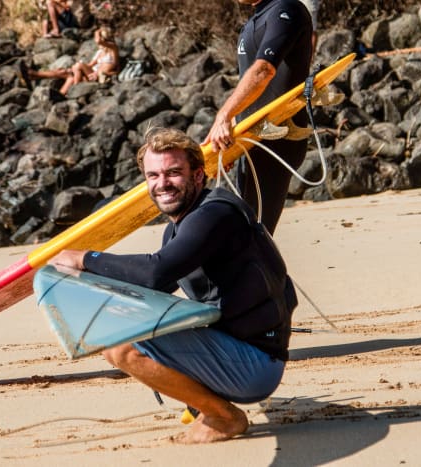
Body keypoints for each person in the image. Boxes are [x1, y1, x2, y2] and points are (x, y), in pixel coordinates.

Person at [49, 127, 298, 443]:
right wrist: (89, 291)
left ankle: (223, 417)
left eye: (173, 173)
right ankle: (204, 403)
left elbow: (156, 271)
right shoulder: (182, 227)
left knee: (122, 349)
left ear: (197, 175)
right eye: (153, 175)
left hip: (256, 365)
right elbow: (154, 290)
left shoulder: (216, 214)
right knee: (126, 329)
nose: (162, 183)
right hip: (241, 353)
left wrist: (86, 258)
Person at [204, 0, 312, 234]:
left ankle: (268, 271)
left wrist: (224, 114)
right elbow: (252, 87)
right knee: (247, 231)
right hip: (252, 141)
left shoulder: (286, 9)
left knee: (254, 235)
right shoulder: (254, 20)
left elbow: (264, 71)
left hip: (278, 139)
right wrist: (231, 134)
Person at [18, 26, 119, 95]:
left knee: (78, 66)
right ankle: (33, 75)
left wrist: (98, 31)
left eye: (100, 36)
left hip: (100, 79)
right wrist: (74, 70)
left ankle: (74, 91)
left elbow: (113, 71)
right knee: (65, 72)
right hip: (91, 75)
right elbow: (90, 65)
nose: (96, 41)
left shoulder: (113, 50)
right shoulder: (100, 52)